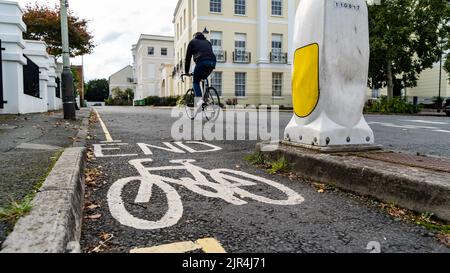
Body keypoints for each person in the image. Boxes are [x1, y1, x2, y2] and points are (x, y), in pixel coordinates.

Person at [185, 32, 217, 115]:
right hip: (212, 62)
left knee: (195, 82)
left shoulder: (192, 42)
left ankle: (200, 103)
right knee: (204, 77)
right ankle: (207, 97)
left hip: (201, 62)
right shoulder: (208, 42)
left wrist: (186, 72)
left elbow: (187, 58)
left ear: (195, 36)